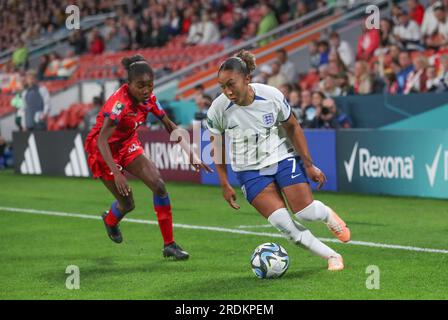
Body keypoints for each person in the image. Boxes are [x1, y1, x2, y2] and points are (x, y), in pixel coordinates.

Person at [206, 51, 350, 271]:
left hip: (280, 158)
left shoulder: (271, 96)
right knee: (287, 228)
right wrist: (224, 183)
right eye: (222, 86)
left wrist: (309, 164)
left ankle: (328, 216)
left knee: (306, 212)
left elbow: (292, 126)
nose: (227, 91)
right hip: (249, 172)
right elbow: (217, 147)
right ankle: (332, 256)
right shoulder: (218, 109)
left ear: (247, 79)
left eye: (231, 84)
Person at [84, 55, 212, 260]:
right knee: (128, 204)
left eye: (150, 85)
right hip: (103, 150)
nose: (146, 90)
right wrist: (117, 173)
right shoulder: (119, 104)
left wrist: (190, 152)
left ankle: (169, 245)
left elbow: (169, 124)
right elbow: (101, 140)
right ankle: (110, 220)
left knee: (159, 185)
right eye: (140, 86)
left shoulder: (149, 99)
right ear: (129, 85)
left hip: (126, 144)